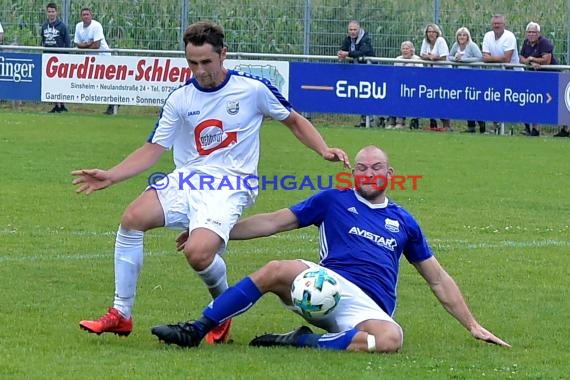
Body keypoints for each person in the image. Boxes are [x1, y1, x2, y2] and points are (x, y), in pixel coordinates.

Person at [73, 21, 349, 344]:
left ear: (223, 55)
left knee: (198, 254)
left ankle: (222, 311)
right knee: (132, 219)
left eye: (206, 62)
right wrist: (112, 174)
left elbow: (293, 120)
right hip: (186, 179)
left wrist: (324, 149)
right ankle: (121, 313)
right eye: (192, 63)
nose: (200, 70)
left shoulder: (252, 90)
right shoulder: (180, 99)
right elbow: (152, 150)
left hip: (232, 184)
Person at [151, 145, 511, 353]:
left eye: (377, 168)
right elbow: (274, 221)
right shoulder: (333, 200)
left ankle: (305, 342)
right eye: (361, 168)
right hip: (325, 284)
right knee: (277, 268)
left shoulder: (404, 221)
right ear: (354, 172)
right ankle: (196, 329)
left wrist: (473, 325)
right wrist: (215, 231)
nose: (368, 173)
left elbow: (437, 279)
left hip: (368, 309)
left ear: (390, 172)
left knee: (390, 339)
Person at [73, 7, 117, 115]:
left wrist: (84, 46)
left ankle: (113, 104)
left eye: (88, 14)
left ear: (91, 15)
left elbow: (97, 45)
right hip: (91, 60)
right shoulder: (78, 26)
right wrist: (88, 44)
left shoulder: (96, 26)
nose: (86, 16)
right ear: (81, 16)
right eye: (84, 15)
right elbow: (77, 44)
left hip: (103, 57)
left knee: (107, 83)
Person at [482, 14, 521, 134]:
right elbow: (484, 57)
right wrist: (498, 59)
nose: (496, 26)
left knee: (512, 103)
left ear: (504, 25)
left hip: (513, 74)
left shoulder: (510, 36)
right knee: (493, 101)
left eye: (499, 24)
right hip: (495, 74)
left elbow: (507, 59)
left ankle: (512, 129)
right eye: (494, 24)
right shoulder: (488, 36)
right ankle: (495, 128)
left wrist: (491, 58)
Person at [519, 22, 558, 137]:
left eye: (534, 32)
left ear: (538, 33)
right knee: (535, 101)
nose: (531, 34)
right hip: (535, 78)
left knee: (556, 103)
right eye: (529, 32)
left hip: (550, 76)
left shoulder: (544, 43)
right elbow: (521, 58)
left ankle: (565, 129)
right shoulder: (526, 43)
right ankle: (534, 129)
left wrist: (533, 59)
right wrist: (530, 61)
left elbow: (547, 60)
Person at [337, 20, 376, 128]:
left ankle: (371, 121)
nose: (352, 32)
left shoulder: (365, 39)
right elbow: (343, 49)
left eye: (355, 30)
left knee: (369, 96)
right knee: (361, 97)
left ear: (359, 30)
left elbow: (362, 52)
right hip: (356, 71)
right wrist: (340, 53)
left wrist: (348, 54)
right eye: (351, 30)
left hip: (369, 71)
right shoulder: (348, 39)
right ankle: (364, 121)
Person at [448, 27, 486, 134]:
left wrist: (464, 60)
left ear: (468, 36)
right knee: (466, 102)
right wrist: (455, 59)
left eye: (464, 35)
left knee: (475, 102)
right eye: (460, 35)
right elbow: (449, 56)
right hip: (461, 78)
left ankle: (481, 124)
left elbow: (479, 58)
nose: (462, 37)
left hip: (473, 78)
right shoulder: (456, 46)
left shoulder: (472, 46)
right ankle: (471, 126)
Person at [420, 23, 451, 131]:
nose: (431, 34)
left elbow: (443, 57)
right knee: (431, 98)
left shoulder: (441, 41)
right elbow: (422, 55)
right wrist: (430, 57)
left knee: (442, 98)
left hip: (443, 74)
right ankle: (432, 122)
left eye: (433, 32)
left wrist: (434, 58)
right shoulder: (425, 42)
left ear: (437, 33)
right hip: (430, 74)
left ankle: (446, 124)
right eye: (429, 32)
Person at [41, 3, 71, 113]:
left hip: (60, 59)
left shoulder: (62, 26)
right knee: (51, 83)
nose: (51, 14)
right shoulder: (44, 26)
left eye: (53, 11)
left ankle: (62, 105)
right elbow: (43, 41)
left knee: (60, 83)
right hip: (48, 59)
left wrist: (66, 57)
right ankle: (56, 105)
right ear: (46, 12)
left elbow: (67, 43)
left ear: (56, 12)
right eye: (49, 11)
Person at [388, 41, 422, 129]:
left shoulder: (417, 59)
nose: (405, 51)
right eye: (403, 48)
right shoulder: (398, 59)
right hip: (399, 85)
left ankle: (400, 122)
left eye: (407, 48)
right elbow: (394, 74)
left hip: (412, 87)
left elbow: (419, 74)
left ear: (412, 50)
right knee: (393, 95)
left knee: (403, 98)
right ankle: (391, 122)